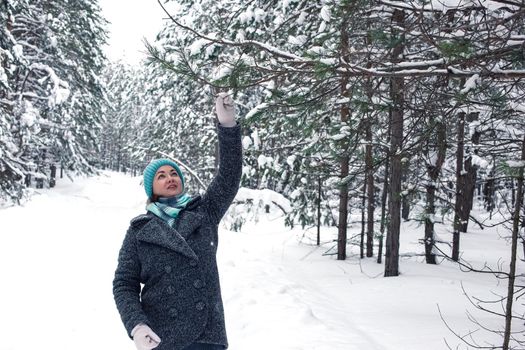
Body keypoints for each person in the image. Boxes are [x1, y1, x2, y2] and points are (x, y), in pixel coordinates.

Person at [113, 93, 242, 350]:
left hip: (207, 334)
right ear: (151, 187)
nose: (170, 177)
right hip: (161, 337)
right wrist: (137, 325)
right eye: (161, 175)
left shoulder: (204, 212)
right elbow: (124, 283)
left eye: (174, 173)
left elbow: (229, 175)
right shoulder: (139, 231)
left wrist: (227, 126)